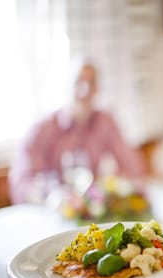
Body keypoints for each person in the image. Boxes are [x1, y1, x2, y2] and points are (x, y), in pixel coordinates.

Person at [9, 57, 144, 205]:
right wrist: (51, 196)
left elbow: (133, 168)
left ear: (97, 89)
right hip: (49, 212)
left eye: (91, 83)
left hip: (88, 211)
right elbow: (21, 185)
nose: (85, 90)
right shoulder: (41, 130)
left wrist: (115, 186)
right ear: (66, 86)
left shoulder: (105, 122)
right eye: (78, 81)